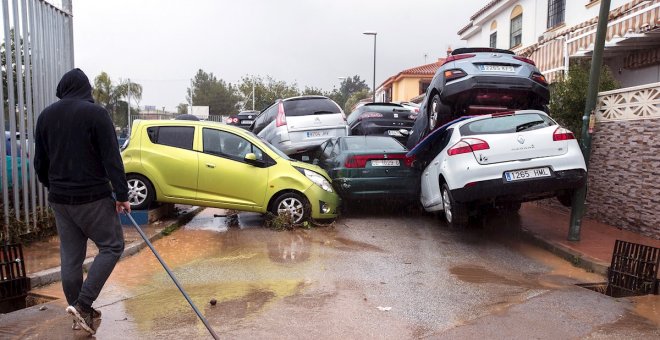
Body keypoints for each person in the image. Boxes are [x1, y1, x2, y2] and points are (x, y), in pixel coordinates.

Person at [34, 68, 131, 335]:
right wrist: (122, 195)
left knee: (71, 258)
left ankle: (78, 311)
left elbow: (40, 163)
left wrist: (53, 187)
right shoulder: (96, 114)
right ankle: (84, 304)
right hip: (92, 198)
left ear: (63, 89)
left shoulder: (45, 116)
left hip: (61, 201)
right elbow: (112, 158)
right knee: (112, 246)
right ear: (86, 90)